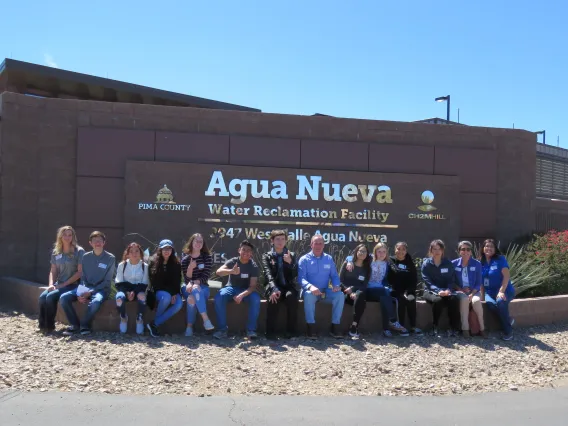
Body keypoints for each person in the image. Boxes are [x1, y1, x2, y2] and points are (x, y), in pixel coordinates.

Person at [59, 231, 116, 336]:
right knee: (64, 297)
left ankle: (84, 325)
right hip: (86, 287)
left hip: (101, 289)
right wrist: (82, 292)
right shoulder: (85, 257)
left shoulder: (110, 258)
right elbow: (83, 278)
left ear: (104, 243)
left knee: (96, 302)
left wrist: (90, 292)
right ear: (90, 243)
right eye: (95, 241)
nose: (97, 243)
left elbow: (107, 281)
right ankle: (74, 325)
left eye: (100, 241)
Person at [38, 226, 85, 333]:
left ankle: (50, 326)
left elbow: (80, 272)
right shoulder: (56, 252)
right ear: (60, 236)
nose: (67, 237)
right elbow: (53, 270)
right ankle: (43, 325)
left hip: (73, 284)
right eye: (65, 235)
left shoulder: (79, 251)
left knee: (50, 297)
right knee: (42, 297)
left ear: (73, 236)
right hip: (59, 283)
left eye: (70, 235)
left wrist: (62, 285)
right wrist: (51, 284)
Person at [298, 234, 344, 339]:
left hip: (325, 291)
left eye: (320, 243)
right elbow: (301, 279)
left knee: (340, 295)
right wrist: (310, 287)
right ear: (311, 245)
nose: (318, 245)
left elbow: (334, 276)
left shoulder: (328, 259)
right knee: (309, 295)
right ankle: (311, 327)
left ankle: (335, 326)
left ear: (323, 245)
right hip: (310, 292)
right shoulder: (304, 259)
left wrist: (336, 285)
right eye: (316, 243)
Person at [213, 240, 261, 340]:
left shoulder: (253, 266)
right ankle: (222, 330)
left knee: (256, 299)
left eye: (248, 250)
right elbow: (218, 272)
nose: (246, 252)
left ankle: (251, 330)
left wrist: (242, 295)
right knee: (219, 296)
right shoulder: (233, 261)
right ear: (239, 250)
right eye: (244, 249)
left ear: (251, 253)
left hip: (246, 291)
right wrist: (231, 271)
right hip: (231, 288)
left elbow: (252, 286)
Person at [262, 230, 298, 340]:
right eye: (277, 239)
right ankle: (270, 332)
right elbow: (268, 274)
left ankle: (290, 331)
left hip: (287, 286)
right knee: (274, 298)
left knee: (291, 297)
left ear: (286, 241)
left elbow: (295, 274)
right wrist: (273, 288)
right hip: (273, 285)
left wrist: (290, 263)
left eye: (283, 239)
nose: (280, 241)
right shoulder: (267, 256)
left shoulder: (291, 255)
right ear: (272, 241)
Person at [421, 239, 460, 336]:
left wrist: (448, 290)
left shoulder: (448, 263)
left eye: (439, 249)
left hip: (446, 291)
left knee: (454, 299)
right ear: (431, 250)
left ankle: (453, 327)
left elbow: (451, 280)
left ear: (442, 250)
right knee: (438, 300)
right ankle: (435, 326)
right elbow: (428, 282)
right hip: (430, 291)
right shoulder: (426, 264)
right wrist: (438, 291)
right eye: (435, 249)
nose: (437, 251)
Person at [146, 239, 183, 337]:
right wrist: (171, 293)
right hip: (158, 290)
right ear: (160, 250)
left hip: (173, 291)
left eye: (169, 249)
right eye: (164, 249)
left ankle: (154, 324)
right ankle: (155, 326)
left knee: (179, 304)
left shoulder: (176, 263)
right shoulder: (153, 261)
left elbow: (177, 280)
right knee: (166, 298)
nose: (167, 251)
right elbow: (155, 282)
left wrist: (174, 293)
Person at [480, 239, 515, 341]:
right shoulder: (480, 262)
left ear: (495, 249)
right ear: (483, 248)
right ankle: (508, 320)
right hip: (489, 293)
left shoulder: (500, 259)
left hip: (505, 290)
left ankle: (508, 332)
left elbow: (506, 276)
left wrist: (501, 291)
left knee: (500, 302)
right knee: (490, 305)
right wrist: (482, 296)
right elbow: (481, 282)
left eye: (491, 246)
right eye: (487, 246)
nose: (489, 248)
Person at [181, 233, 214, 337]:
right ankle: (206, 320)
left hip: (203, 288)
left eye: (201, 242)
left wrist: (193, 283)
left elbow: (205, 276)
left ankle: (189, 326)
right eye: (196, 241)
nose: (199, 243)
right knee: (191, 297)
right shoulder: (185, 259)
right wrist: (190, 267)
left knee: (192, 296)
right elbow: (186, 280)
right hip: (188, 287)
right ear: (192, 242)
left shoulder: (207, 257)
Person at [452, 240, 485, 338]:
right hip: (459, 290)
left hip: (474, 291)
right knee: (464, 300)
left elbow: (479, 282)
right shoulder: (453, 264)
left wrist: (472, 293)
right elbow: (452, 281)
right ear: (459, 251)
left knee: (476, 301)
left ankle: (482, 328)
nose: (465, 251)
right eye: (463, 249)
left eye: (468, 249)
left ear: (471, 251)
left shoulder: (477, 264)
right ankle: (465, 329)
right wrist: (461, 289)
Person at [115, 242, 150, 335]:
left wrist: (134, 292)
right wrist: (126, 292)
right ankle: (123, 317)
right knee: (119, 299)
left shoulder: (144, 266)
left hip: (139, 290)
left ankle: (139, 318)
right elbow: (119, 282)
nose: (134, 253)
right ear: (127, 254)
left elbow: (144, 283)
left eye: (137, 251)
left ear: (140, 253)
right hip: (125, 290)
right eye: (131, 251)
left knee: (142, 298)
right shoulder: (122, 265)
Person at [388, 242, 422, 335]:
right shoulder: (390, 260)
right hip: (395, 290)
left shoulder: (410, 263)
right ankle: (401, 327)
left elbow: (413, 280)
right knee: (401, 300)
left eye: (403, 249)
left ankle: (413, 326)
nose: (400, 251)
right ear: (395, 250)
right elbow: (391, 278)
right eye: (398, 249)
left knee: (411, 299)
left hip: (407, 290)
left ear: (406, 251)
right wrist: (400, 292)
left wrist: (408, 292)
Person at [340, 244, 370, 338]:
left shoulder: (367, 268)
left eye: (364, 251)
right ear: (356, 252)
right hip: (345, 292)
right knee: (360, 297)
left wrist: (353, 289)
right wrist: (348, 291)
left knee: (360, 295)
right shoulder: (347, 264)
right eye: (360, 251)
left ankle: (354, 325)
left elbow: (364, 285)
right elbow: (339, 281)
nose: (362, 253)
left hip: (357, 293)